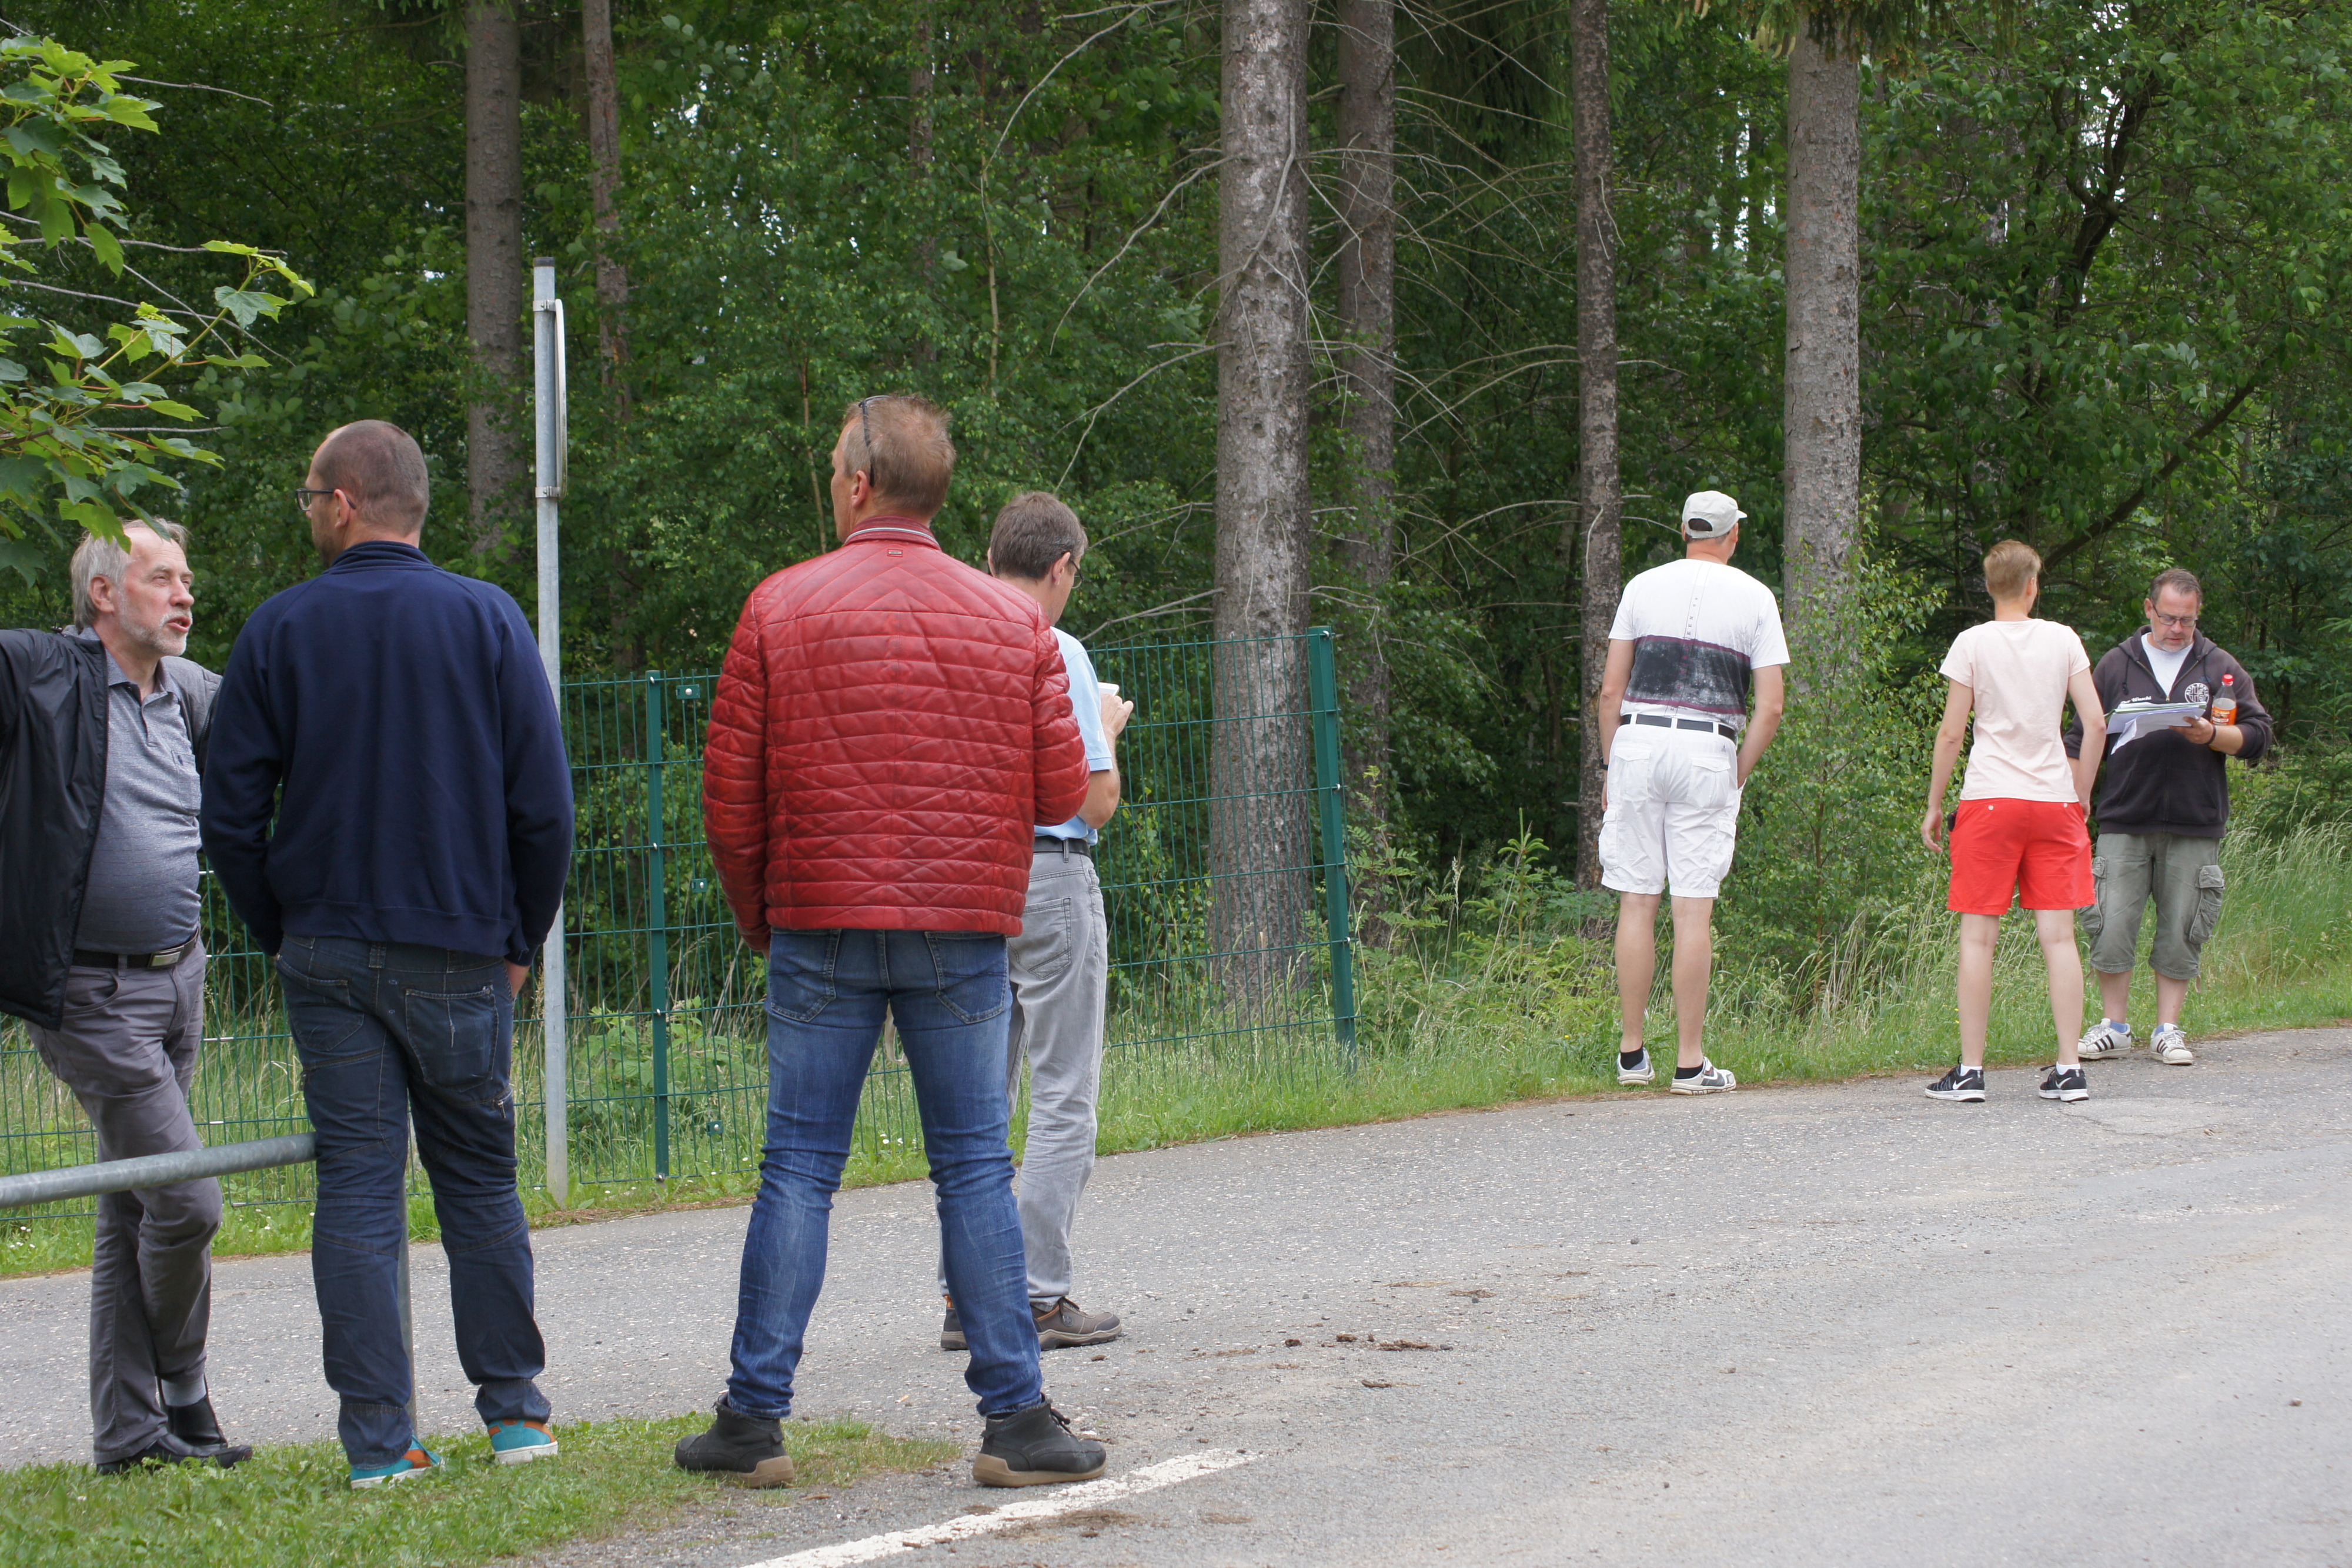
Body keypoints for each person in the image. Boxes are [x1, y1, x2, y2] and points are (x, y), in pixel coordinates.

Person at [683, 395, 1102, 1491]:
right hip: (962, 931)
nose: (831, 481)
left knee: (798, 1169)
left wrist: (759, 917)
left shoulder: (779, 607)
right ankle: (1016, 1419)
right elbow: (1064, 788)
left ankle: (754, 1418)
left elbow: (730, 799)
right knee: (971, 1165)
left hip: (818, 922)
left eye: (834, 467)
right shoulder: (1015, 624)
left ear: (862, 485)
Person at [199, 420, 574, 1488]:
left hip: (328, 949)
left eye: (310, 492)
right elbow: (544, 811)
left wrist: (285, 927)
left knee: (360, 1194)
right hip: (460, 948)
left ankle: (379, 1442)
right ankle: (515, 1415)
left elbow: (229, 819)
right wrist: (519, 943)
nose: (308, 508)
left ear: (348, 501)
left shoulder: (277, 631)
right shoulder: (488, 620)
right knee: (480, 1186)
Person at [0, 520, 251, 1475]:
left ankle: (126, 1437)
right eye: (161, 578)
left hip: (179, 972)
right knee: (188, 1202)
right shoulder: (45, 679)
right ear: (105, 593)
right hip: (88, 990)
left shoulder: (184, 689)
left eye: (188, 577)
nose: (185, 595)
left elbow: (280, 722)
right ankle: (182, 1391)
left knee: (131, 1207)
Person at [936, 493, 1134, 1357]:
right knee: (1062, 1093)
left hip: (968, 880)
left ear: (990, 556)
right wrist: (1112, 732)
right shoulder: (1061, 648)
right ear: (1061, 568)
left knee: (979, 1098)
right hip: (1050, 878)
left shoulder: (951, 637)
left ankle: (963, 1291)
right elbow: (1093, 800)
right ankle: (1036, 1293)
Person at [1594, 490, 1788, 1094]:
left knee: (1636, 900)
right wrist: (1737, 773)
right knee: (1692, 909)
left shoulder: (1641, 587)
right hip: (1708, 746)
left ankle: (1631, 1055)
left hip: (1638, 742)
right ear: (1733, 537)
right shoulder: (1755, 597)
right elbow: (1771, 706)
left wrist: (1611, 770)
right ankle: (1688, 1062)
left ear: (1684, 530)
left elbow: (1609, 692)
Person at [1919, 540, 2106, 1104]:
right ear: (2032, 586)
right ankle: (2069, 1067)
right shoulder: (2063, 639)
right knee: (2059, 936)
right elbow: (2095, 723)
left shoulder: (1972, 643)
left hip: (1990, 800)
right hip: (2053, 800)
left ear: (1990, 586)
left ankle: (1972, 1071)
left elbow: (1952, 732)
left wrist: (1934, 802)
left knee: (1979, 937)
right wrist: (2081, 792)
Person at [2065, 569, 2270, 1067]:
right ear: (2149, 609)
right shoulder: (2116, 665)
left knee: (2183, 924)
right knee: (2109, 922)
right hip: (2123, 817)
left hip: (2195, 819)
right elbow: (2080, 739)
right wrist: (2077, 802)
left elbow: (2260, 733)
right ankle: (2114, 1026)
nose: (2179, 629)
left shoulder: (2218, 665)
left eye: (2188, 620)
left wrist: (2214, 737)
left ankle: (2167, 1028)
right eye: (2170, 618)